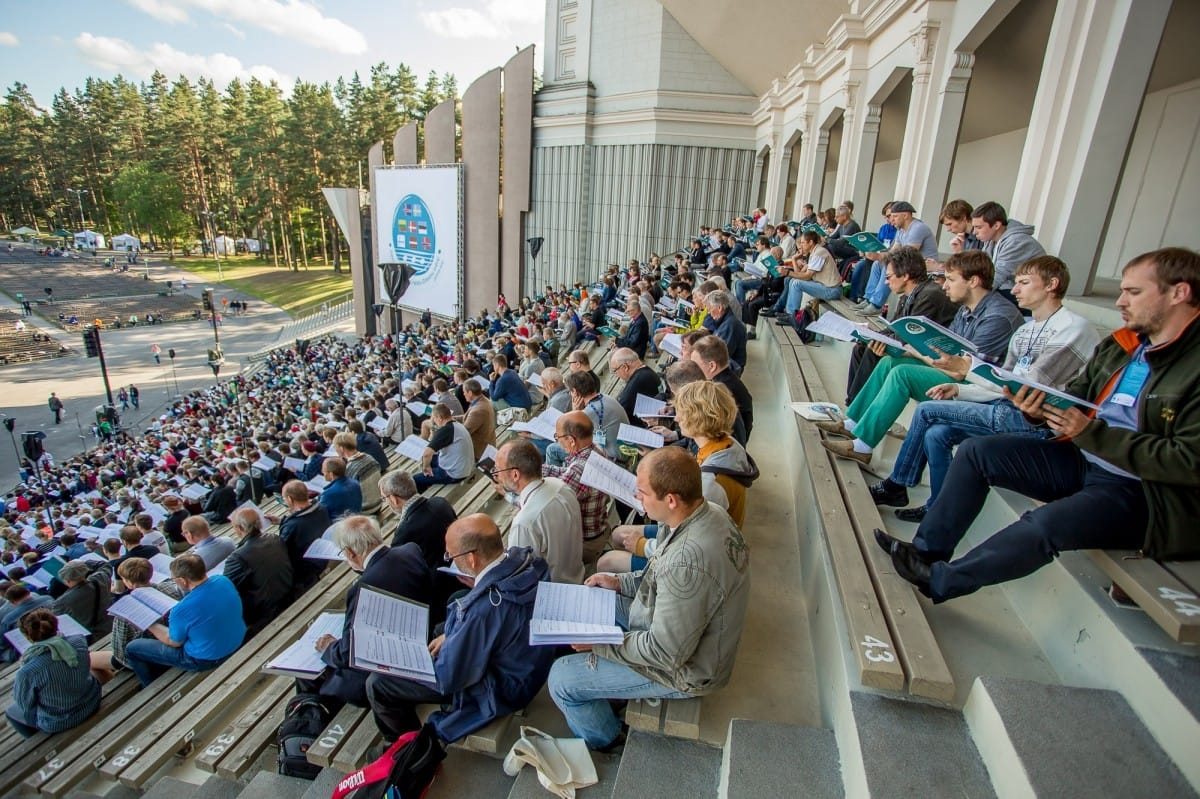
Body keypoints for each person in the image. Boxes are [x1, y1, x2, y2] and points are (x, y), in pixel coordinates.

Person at [875, 247, 1200, 602]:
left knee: (1043, 524)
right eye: (1121, 290)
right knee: (975, 453)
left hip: (1144, 494)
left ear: (1179, 293)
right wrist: (1035, 408)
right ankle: (926, 553)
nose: (1121, 302)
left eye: (1133, 292)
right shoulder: (1122, 346)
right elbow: (1076, 397)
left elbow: (1187, 461)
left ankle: (941, 581)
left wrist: (1091, 433)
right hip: (1083, 456)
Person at [547, 447, 750, 751]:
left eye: (642, 492)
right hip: (672, 627)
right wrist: (619, 582)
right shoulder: (703, 513)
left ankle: (607, 739)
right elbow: (659, 572)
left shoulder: (688, 564)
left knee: (561, 679)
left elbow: (665, 652)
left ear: (671, 499)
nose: (637, 497)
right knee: (594, 601)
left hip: (686, 672)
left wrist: (600, 645)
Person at [870, 256, 1100, 522]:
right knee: (937, 433)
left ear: (1052, 285)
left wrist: (966, 371)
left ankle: (897, 485)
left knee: (926, 410)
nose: (1014, 290)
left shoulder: (1074, 328)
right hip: (1006, 407)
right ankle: (938, 509)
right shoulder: (1026, 332)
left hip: (1037, 423)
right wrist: (960, 389)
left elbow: (1030, 386)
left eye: (1024, 283)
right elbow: (1004, 384)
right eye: (1015, 283)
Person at [818, 250, 1024, 466]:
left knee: (902, 373)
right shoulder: (966, 309)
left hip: (976, 388)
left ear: (973, 281)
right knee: (888, 362)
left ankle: (863, 446)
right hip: (953, 371)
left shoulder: (998, 317)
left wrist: (914, 352)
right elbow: (948, 355)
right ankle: (854, 422)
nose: (944, 286)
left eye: (951, 280)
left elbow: (963, 371)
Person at [365, 514, 557, 744]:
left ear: (472, 558)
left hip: (503, 687)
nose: (450, 559)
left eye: (451, 555)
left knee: (378, 683)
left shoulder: (483, 610)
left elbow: (448, 678)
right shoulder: (529, 560)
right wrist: (452, 634)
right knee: (448, 614)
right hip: (527, 662)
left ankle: (405, 749)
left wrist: (404, 661)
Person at [302, 516, 433, 711]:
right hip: (420, 636)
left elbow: (348, 652)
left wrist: (328, 648)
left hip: (390, 666)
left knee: (311, 675)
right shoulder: (411, 551)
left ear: (350, 552)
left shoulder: (364, 587)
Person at [845, 246, 958, 404]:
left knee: (874, 352)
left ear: (905, 276)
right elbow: (893, 328)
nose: (886, 281)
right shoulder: (910, 294)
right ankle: (852, 403)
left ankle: (855, 411)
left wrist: (877, 338)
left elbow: (908, 337)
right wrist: (868, 335)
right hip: (913, 348)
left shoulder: (930, 295)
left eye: (889, 277)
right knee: (861, 347)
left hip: (930, 356)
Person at [124, 554, 245, 686]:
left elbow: (174, 642)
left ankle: (149, 686)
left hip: (205, 659)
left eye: (174, 579)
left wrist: (149, 623)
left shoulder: (181, 610)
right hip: (236, 641)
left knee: (132, 648)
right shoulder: (223, 580)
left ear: (182, 580)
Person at [491, 440, 584, 584]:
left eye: (497, 470)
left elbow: (517, 577)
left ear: (515, 475)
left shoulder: (524, 523)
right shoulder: (560, 485)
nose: (496, 476)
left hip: (551, 593)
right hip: (576, 575)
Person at [6, 609, 101, 737]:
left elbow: (25, 705)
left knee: (12, 711)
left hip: (59, 721)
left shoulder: (28, 671)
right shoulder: (78, 640)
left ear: (28, 637)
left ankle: (39, 744)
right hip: (92, 700)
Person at [89, 557, 183, 683]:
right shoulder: (171, 588)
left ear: (129, 582)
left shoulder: (126, 608)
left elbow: (121, 652)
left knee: (88, 659)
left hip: (147, 658)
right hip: (175, 642)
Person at [541, 411, 612, 565]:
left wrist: (509, 493)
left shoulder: (579, 470)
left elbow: (547, 509)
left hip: (585, 543)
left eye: (558, 437)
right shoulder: (597, 449)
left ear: (571, 440)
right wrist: (535, 470)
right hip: (600, 528)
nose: (557, 441)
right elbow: (566, 473)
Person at [222, 506, 294, 640]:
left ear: (238, 529)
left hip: (264, 611)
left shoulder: (238, 557)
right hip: (285, 595)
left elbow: (225, 589)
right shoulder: (274, 538)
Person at [970, 201, 1045, 305]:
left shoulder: (1016, 241)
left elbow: (995, 278)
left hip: (1029, 295)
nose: (974, 232)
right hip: (1009, 290)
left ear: (996, 225)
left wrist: (966, 292)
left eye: (979, 227)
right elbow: (981, 270)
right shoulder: (990, 240)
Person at [380, 470, 456, 568]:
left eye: (384, 498)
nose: (385, 502)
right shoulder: (441, 502)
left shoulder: (404, 532)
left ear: (394, 499)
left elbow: (397, 565)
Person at [272, 480, 332, 598]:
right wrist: (282, 521)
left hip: (305, 572)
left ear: (289, 499)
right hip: (322, 558)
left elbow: (282, 550)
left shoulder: (293, 526)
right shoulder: (321, 508)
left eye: (284, 498)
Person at [690, 335, 753, 444]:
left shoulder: (720, 392)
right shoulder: (728, 379)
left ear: (712, 366)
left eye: (695, 365)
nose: (693, 369)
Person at [415, 404, 474, 492]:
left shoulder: (446, 430)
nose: (433, 421)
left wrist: (426, 467)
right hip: (464, 467)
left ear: (439, 418)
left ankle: (425, 497)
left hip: (454, 474)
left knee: (415, 479)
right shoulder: (457, 425)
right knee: (431, 460)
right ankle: (430, 483)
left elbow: (427, 454)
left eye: (433, 418)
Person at [49, 559, 113, 637]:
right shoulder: (100, 578)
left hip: (95, 635)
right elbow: (105, 565)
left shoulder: (61, 602)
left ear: (68, 581)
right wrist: (81, 563)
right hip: (112, 622)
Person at [0, 584, 55, 663]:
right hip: (53, 632)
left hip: (27, 648)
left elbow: (2, 643)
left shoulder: (8, 619)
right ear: (28, 592)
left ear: (12, 602)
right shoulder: (48, 598)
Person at [609, 348, 662, 426]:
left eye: (615, 370)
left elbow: (619, 411)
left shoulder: (638, 381)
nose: (617, 375)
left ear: (625, 367)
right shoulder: (645, 371)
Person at [334, 432, 382, 515]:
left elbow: (348, 494)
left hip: (366, 510)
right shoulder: (369, 457)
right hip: (379, 503)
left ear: (341, 448)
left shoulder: (350, 468)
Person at [461, 379, 497, 460]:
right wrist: (451, 418)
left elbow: (464, 432)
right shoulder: (482, 400)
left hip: (480, 451)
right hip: (488, 442)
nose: (463, 394)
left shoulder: (478, 410)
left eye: (464, 392)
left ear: (470, 393)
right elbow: (466, 417)